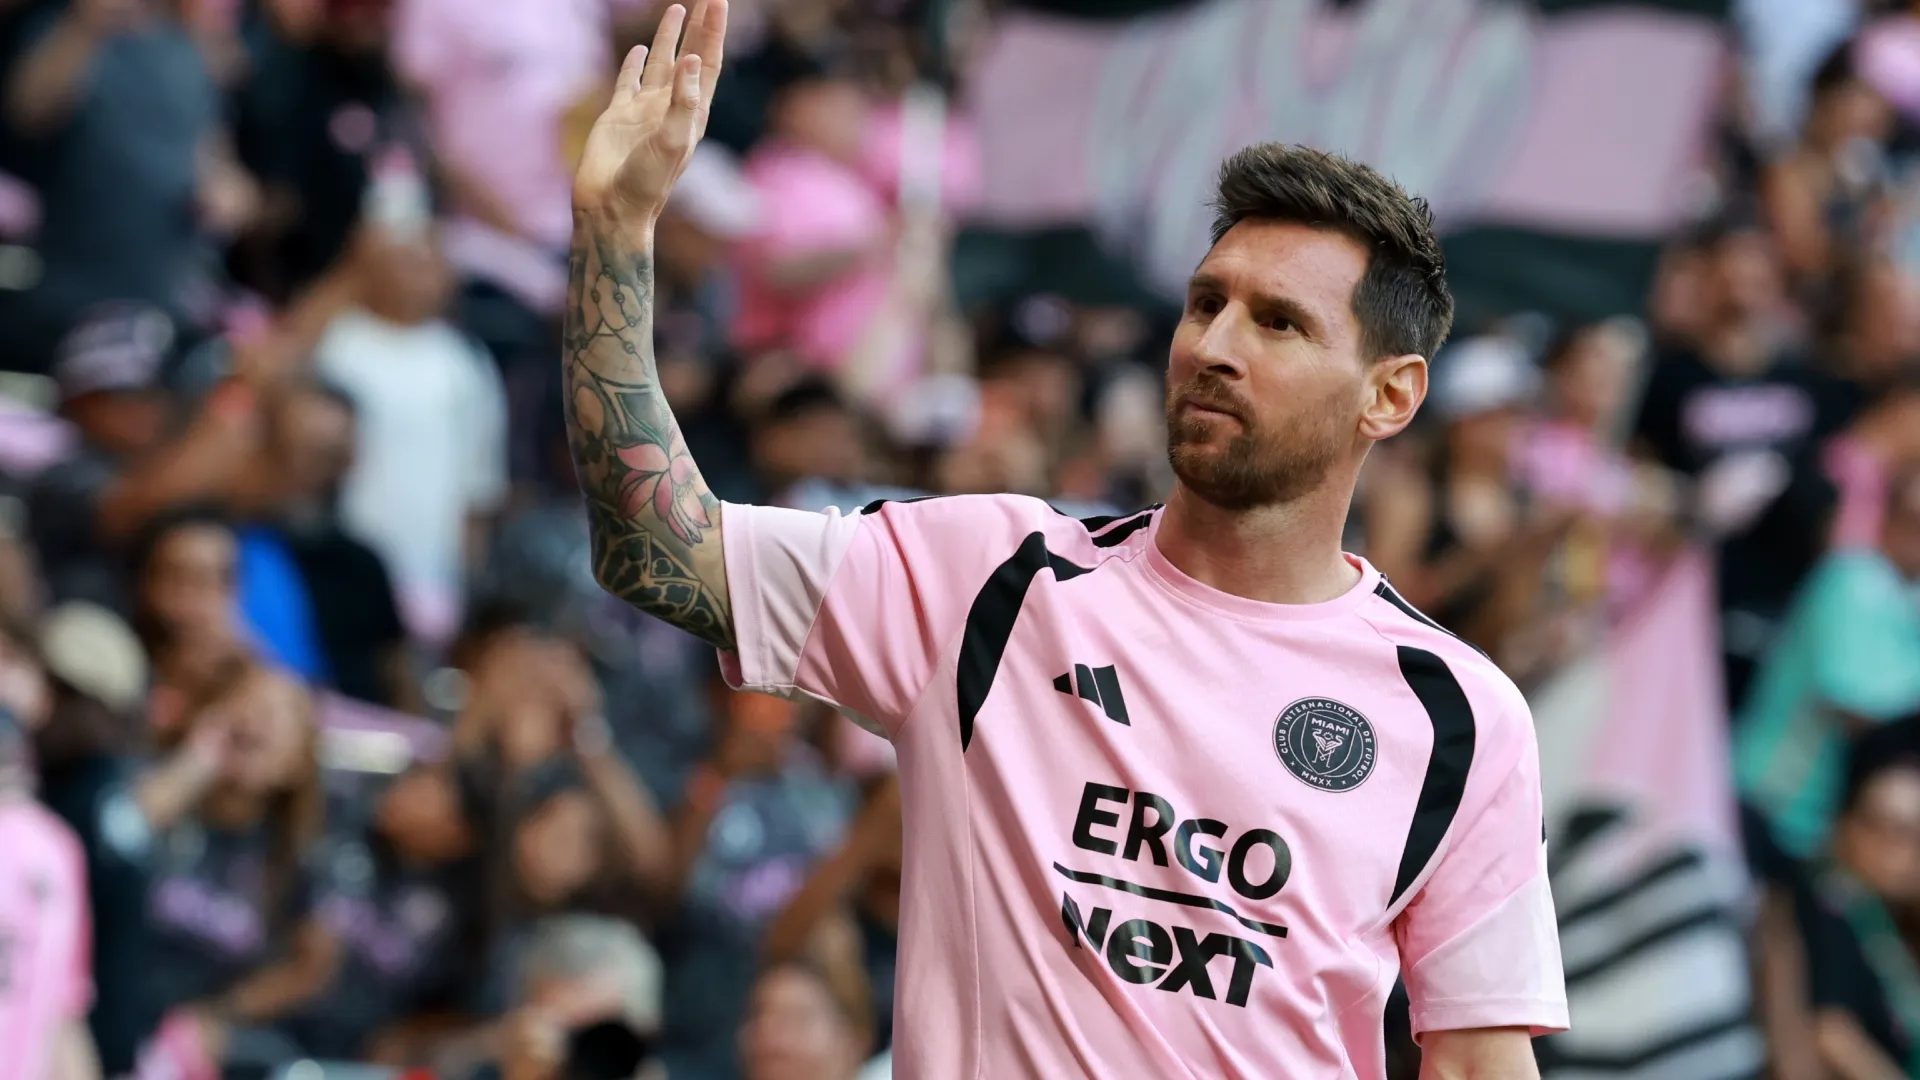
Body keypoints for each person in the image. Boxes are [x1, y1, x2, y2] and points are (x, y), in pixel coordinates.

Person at [562, 5, 1565, 1077]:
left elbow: (1478, 1063)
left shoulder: (1462, 716)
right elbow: (653, 546)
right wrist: (616, 231)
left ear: (1390, 394)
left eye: (1279, 322)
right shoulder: (988, 576)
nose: (1214, 345)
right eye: (1206, 304)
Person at [1736, 463, 1920, 860]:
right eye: (1913, 519)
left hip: (1819, 824)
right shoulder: (1851, 580)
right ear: (1890, 514)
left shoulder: (1908, 597)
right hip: (1770, 800)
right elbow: (1859, 713)